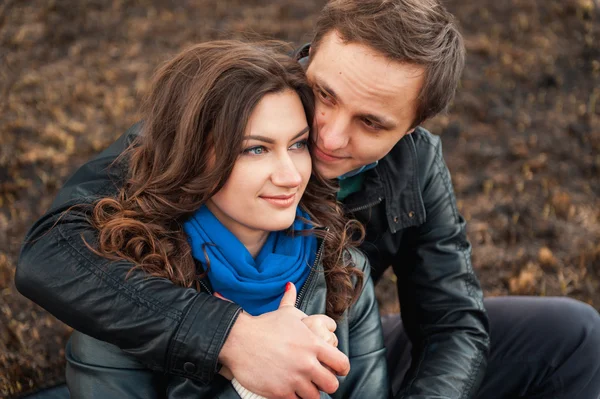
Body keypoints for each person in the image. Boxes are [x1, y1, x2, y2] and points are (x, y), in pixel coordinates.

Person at [17, 0, 600, 398]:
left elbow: (452, 322)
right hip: (182, 347)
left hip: (337, 335)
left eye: (371, 122)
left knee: (571, 334)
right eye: (323, 94)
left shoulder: (413, 167)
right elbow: (51, 253)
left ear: (411, 129)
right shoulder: (210, 124)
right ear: (309, 56)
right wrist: (232, 337)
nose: (327, 137)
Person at [62, 40, 388, 399]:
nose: (291, 176)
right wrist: (250, 388)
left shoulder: (344, 270)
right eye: (256, 149)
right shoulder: (123, 293)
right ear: (194, 157)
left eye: (297, 144)